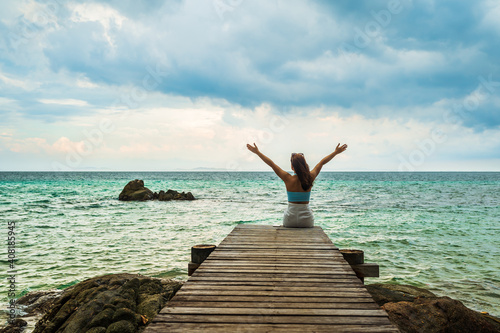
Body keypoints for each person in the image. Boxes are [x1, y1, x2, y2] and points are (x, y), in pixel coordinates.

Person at [247, 142, 348, 228]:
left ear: (292, 166)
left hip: (289, 220)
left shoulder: (287, 178)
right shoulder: (310, 177)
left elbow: (271, 163)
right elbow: (322, 162)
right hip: (307, 221)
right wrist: (336, 152)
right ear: (304, 164)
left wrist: (257, 152)